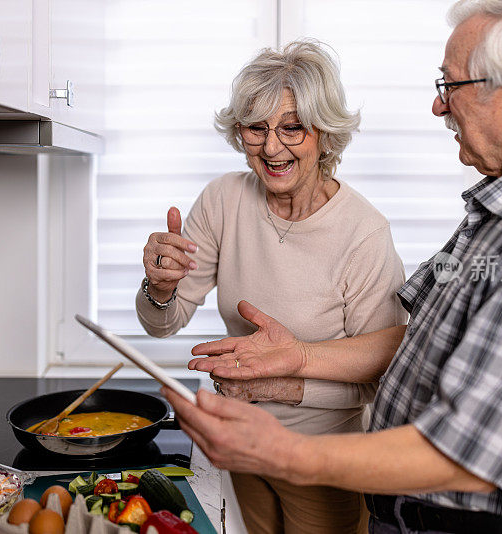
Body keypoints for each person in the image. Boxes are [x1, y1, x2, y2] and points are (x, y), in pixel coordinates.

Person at [164, 1, 502, 533]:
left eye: (452, 86)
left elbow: (472, 453)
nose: (438, 107)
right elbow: (414, 340)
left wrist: (285, 452)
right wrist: (298, 356)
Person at [136, 39, 407, 534]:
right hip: (242, 444)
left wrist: (284, 387)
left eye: (292, 128)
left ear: (324, 133)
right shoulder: (223, 199)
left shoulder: (364, 234)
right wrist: (159, 286)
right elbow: (163, 322)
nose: (272, 147)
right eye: (256, 129)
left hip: (323, 459)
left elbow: (382, 376)